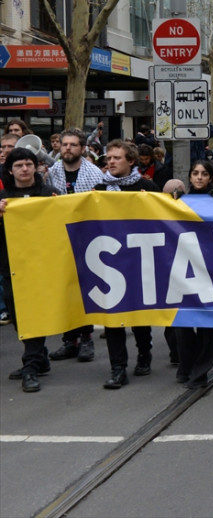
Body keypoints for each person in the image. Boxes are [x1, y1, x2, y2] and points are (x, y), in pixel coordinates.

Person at [94, 140, 159, 389]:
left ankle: (144, 352)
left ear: (131, 161)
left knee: (137, 311)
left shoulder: (146, 186)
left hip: (138, 257)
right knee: (113, 316)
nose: (110, 162)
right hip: (108, 260)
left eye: (116, 158)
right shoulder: (99, 188)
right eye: (108, 158)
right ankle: (118, 367)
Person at [1, 147, 60, 392]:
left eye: (28, 164)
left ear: (36, 166)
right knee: (16, 314)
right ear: (10, 170)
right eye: (19, 165)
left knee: (32, 313)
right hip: (10, 265)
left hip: (40, 264)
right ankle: (40, 356)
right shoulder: (4, 198)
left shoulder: (49, 194)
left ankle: (31, 364)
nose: (24, 169)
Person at [45, 128, 103, 364]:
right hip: (58, 238)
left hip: (85, 238)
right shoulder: (50, 173)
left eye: (72, 145)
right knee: (63, 290)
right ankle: (69, 340)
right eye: (64, 144)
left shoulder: (94, 173)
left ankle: (87, 338)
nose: (67, 148)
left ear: (82, 148)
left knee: (83, 291)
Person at [175, 160, 213, 389]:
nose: (199, 177)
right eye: (195, 173)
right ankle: (186, 365)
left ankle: (201, 372)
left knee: (209, 325)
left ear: (211, 177)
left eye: (204, 174)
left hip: (212, 270)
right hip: (185, 270)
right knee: (183, 323)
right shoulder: (179, 202)